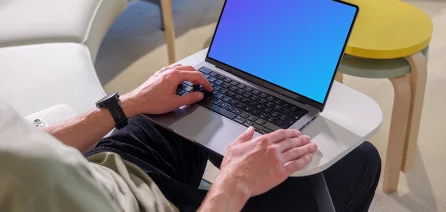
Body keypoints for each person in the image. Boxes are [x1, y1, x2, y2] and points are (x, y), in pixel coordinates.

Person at [0, 65, 381, 212]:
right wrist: (235, 183)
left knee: (193, 100)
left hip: (105, 170)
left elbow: (29, 147)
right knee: (361, 159)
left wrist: (129, 104)